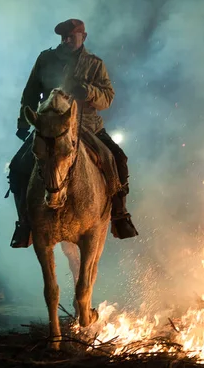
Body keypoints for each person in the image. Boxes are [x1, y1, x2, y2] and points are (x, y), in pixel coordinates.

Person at [9, 18, 138, 247]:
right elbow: (30, 91)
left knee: (118, 159)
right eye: (63, 37)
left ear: (83, 37)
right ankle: (25, 223)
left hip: (86, 125)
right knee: (18, 166)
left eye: (71, 36)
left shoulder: (95, 64)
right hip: (50, 125)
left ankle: (119, 215)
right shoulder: (45, 59)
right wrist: (23, 122)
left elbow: (107, 97)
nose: (67, 40)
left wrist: (88, 91)